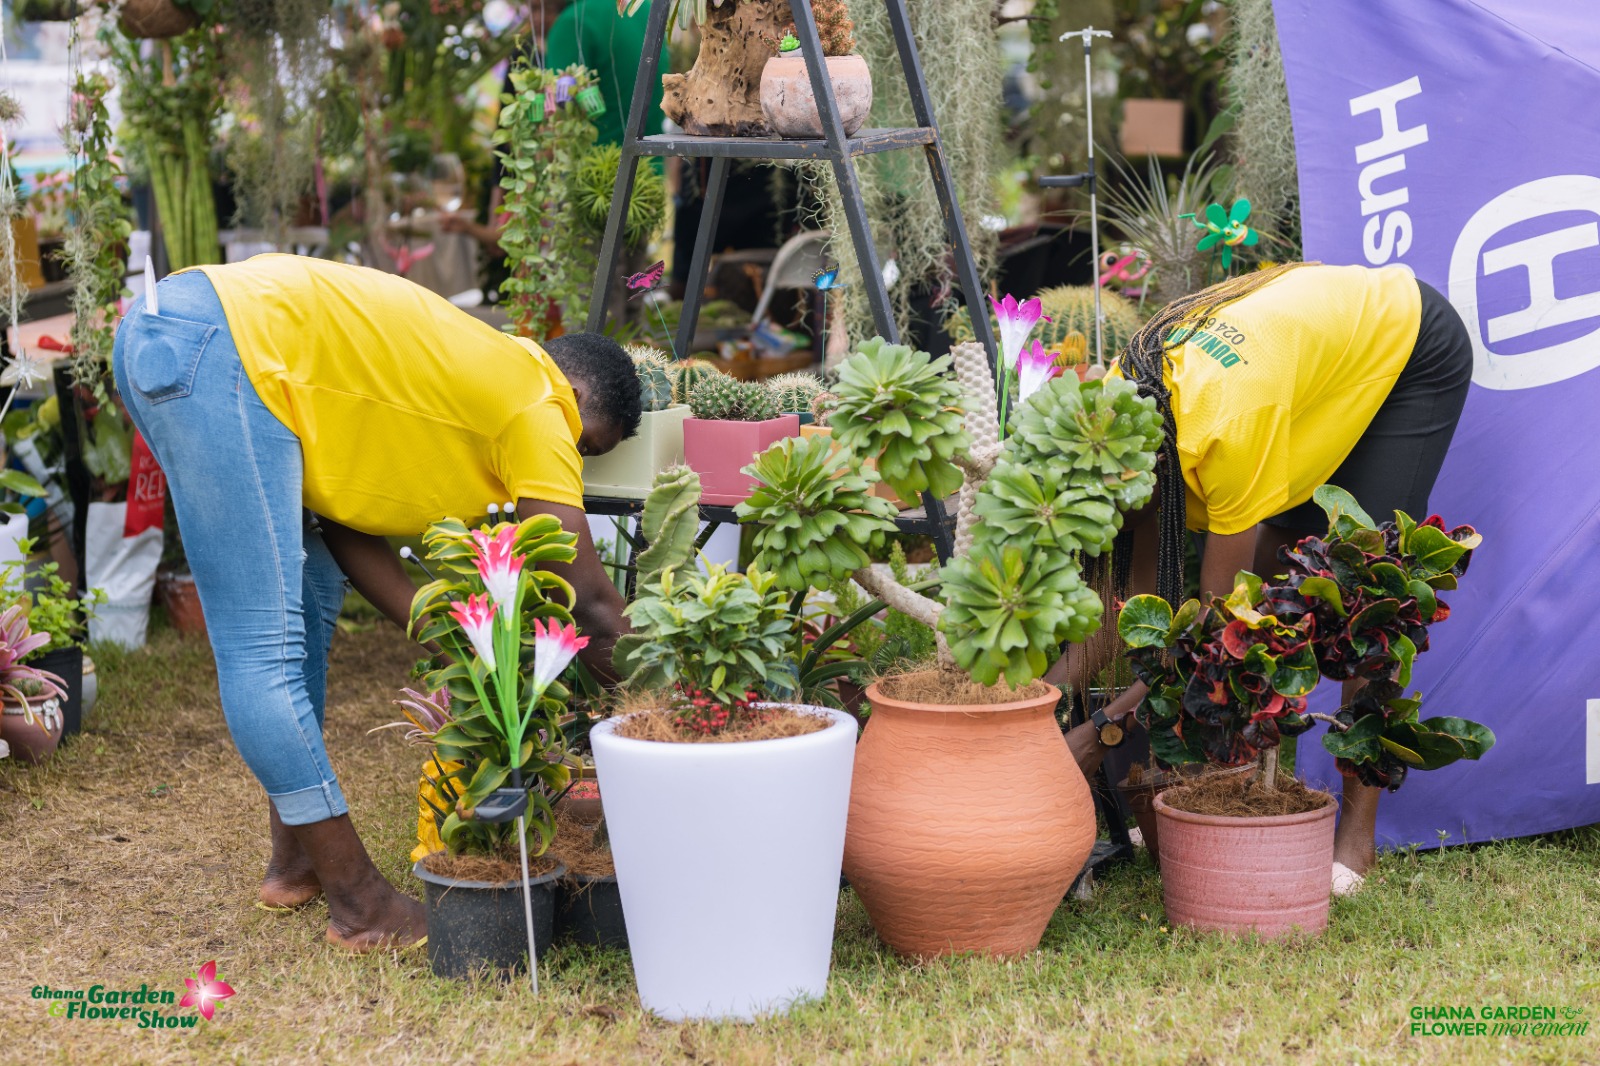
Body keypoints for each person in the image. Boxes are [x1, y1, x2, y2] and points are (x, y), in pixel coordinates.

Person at [111, 254, 638, 950]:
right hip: (219, 346)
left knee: (307, 610)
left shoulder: (464, 387)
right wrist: (662, 708)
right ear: (574, 393)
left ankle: (295, 863)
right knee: (263, 649)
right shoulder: (539, 401)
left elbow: (345, 526)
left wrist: (456, 635)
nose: (574, 463)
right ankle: (360, 906)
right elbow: (592, 603)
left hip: (191, 336)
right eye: (586, 448)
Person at [1047, 261, 1473, 891]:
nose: (1115, 527)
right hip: (1297, 369)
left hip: (1406, 346)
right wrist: (1037, 705)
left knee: (1364, 589)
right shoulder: (1117, 410)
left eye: (1119, 513)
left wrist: (1103, 733)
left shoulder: (1224, 435)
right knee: (1280, 571)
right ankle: (1211, 791)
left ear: (1147, 477)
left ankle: (1356, 843)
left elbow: (1216, 627)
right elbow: (1134, 600)